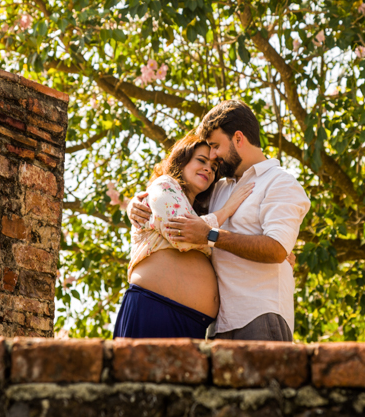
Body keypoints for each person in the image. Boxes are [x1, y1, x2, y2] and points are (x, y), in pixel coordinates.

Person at [130, 100, 310, 341]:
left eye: (215, 146)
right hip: (217, 327)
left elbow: (276, 249)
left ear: (238, 138)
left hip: (260, 317)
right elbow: (176, 211)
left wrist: (211, 236)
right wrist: (139, 203)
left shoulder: (280, 182)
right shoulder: (218, 188)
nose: (212, 155)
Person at [113, 133, 253, 339]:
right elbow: (181, 234)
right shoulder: (164, 185)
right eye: (201, 160)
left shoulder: (202, 214)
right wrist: (227, 209)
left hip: (194, 324)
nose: (208, 168)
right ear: (183, 160)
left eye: (214, 168)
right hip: (154, 308)